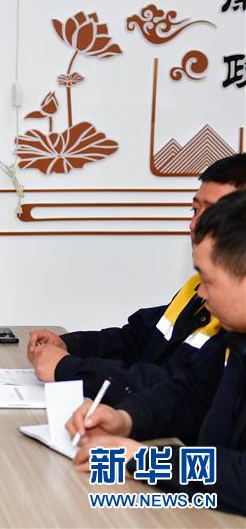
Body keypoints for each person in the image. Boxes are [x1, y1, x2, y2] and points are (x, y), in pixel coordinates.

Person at [67, 190, 246, 515]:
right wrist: (125, 419)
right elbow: (191, 395)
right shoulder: (235, 337)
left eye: (207, 280)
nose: (200, 293)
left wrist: (143, 459)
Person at [28, 154, 246, 406]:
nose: (194, 224)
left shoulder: (233, 318)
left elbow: (175, 389)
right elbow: (138, 340)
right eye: (195, 210)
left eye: (213, 216)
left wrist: (71, 369)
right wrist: (69, 345)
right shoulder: (197, 290)